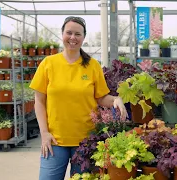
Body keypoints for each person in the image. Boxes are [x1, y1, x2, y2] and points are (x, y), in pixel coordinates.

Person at [29, 16, 127, 180]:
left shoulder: (92, 65)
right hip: (55, 141)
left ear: (83, 37)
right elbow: (39, 101)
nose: (73, 38)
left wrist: (116, 100)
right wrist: (44, 133)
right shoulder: (48, 63)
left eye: (77, 34)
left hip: (86, 141)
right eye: (69, 33)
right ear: (62, 34)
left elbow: (101, 98)